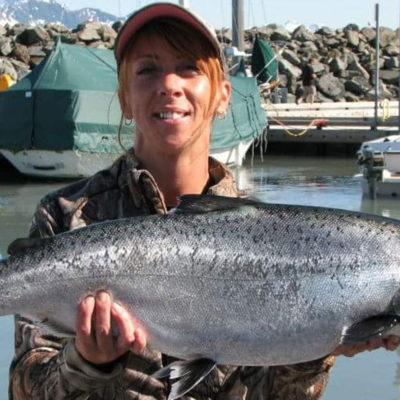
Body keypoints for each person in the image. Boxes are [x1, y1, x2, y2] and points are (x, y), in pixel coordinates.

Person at [9, 3, 400, 400]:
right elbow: (23, 387)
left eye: (189, 67)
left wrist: (314, 352)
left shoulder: (266, 230)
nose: (169, 85)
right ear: (125, 97)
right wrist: (87, 362)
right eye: (147, 70)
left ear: (222, 95)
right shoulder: (63, 217)